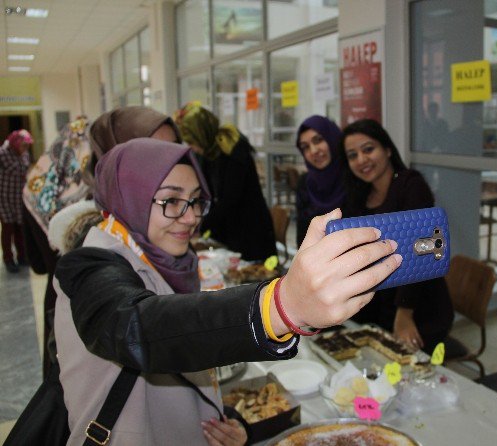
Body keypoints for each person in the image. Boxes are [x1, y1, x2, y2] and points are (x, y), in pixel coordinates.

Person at [53, 137, 400, 444]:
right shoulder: (88, 266)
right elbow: (137, 329)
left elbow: (184, 359)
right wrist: (280, 306)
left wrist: (230, 423)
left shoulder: (166, 263)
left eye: (195, 201)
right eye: (171, 201)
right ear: (128, 195)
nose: (190, 217)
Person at [22, 107, 180, 379]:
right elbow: (131, 326)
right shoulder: (97, 233)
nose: (169, 163)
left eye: (175, 150)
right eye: (152, 151)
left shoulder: (154, 212)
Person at [339, 118, 454, 354]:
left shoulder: (412, 185)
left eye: (368, 149)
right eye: (352, 155)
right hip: (378, 303)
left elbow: (425, 249)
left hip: (418, 305)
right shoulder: (359, 196)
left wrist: (404, 314)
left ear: (387, 149)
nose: (361, 160)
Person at [174, 102, 276, 262]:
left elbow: (230, 200)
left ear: (202, 135)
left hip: (249, 229)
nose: (192, 147)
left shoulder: (232, 150)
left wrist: (201, 225)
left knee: (253, 278)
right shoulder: (209, 151)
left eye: (192, 142)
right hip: (228, 230)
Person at [295, 115, 345, 246]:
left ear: (332, 138)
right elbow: (302, 240)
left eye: (318, 140)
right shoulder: (305, 184)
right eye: (305, 147)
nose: (313, 151)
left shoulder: (355, 179)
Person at [0, 129, 32, 273]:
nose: (25, 149)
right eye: (23, 145)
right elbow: (19, 169)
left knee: (20, 228)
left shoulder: (25, 154)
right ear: (15, 143)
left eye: (27, 146)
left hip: (19, 197)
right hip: (4, 197)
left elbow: (26, 171)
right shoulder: (3, 154)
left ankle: (22, 257)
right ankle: (8, 259)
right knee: (8, 229)